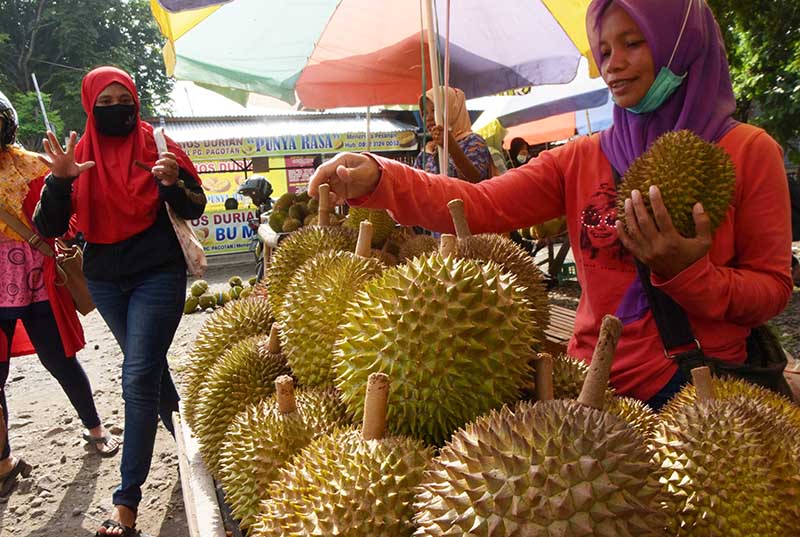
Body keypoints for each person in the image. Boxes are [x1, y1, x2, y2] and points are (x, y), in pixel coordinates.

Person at [309, 0, 791, 411]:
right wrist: (382, 176)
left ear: (679, 41)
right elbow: (478, 204)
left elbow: (772, 289)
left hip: (698, 393)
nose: (612, 64)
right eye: (603, 50)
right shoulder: (581, 158)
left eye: (632, 43)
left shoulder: (749, 152)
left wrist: (690, 274)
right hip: (588, 390)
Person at [33, 67, 206, 536]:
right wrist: (61, 181)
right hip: (107, 280)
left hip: (158, 272)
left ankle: (126, 503)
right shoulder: (79, 156)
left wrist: (171, 183)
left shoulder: (159, 146)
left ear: (135, 100)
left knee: (136, 377)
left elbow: (196, 204)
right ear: (90, 107)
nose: (116, 109)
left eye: (122, 99)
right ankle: (193, 441)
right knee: (147, 369)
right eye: (104, 103)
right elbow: (47, 227)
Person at [0, 91, 119, 500]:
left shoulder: (32, 166)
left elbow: (60, 216)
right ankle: (2, 461)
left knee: (60, 359)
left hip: (36, 281)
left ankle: (94, 427)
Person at [415, 87, 493, 183]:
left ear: (452, 109)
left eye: (434, 110)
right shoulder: (426, 153)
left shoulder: (473, 141)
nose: (428, 118)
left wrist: (451, 146)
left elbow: (476, 180)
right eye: (424, 113)